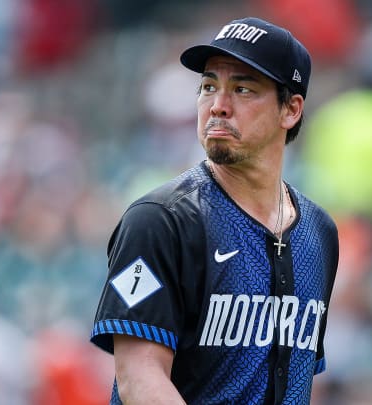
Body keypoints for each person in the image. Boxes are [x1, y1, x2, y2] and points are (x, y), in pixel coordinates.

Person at [90, 16, 339, 405]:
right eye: (208, 86)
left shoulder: (319, 233)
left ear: (290, 110)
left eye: (242, 89)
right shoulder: (161, 220)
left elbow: (300, 378)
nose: (218, 106)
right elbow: (139, 378)